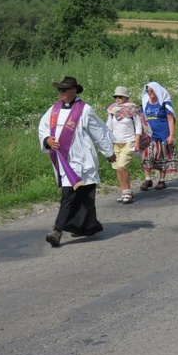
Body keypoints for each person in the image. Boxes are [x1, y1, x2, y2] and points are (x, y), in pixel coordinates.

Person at [39, 76, 115, 247]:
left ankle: (57, 230)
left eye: (64, 90)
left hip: (82, 159)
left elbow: (99, 133)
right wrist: (47, 140)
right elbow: (43, 128)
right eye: (59, 90)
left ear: (73, 91)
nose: (61, 93)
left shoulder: (85, 110)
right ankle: (84, 227)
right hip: (64, 160)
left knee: (82, 194)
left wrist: (109, 153)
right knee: (71, 194)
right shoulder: (54, 110)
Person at [106, 86, 143, 204]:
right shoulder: (112, 110)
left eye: (120, 96)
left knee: (122, 167)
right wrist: (107, 142)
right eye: (115, 96)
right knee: (117, 168)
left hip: (129, 142)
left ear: (126, 97)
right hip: (116, 142)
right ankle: (124, 192)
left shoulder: (133, 109)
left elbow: (138, 126)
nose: (117, 98)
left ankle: (128, 192)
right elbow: (109, 126)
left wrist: (137, 142)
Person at [140, 81, 177, 191]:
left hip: (162, 134)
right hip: (149, 135)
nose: (149, 93)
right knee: (146, 157)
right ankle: (148, 179)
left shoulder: (164, 103)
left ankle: (162, 180)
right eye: (148, 91)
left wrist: (171, 135)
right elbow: (143, 118)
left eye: (151, 91)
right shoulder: (146, 102)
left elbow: (170, 119)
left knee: (162, 157)